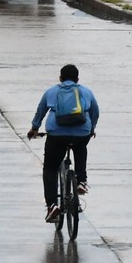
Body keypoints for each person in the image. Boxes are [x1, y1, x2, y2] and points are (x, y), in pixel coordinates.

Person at [28, 64, 99, 222]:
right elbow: (95, 112)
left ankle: (52, 205)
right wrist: (91, 128)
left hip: (57, 135)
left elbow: (41, 111)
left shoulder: (52, 91)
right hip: (81, 133)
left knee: (50, 168)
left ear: (60, 78)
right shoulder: (86, 92)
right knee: (81, 148)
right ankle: (81, 181)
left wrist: (34, 128)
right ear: (77, 79)